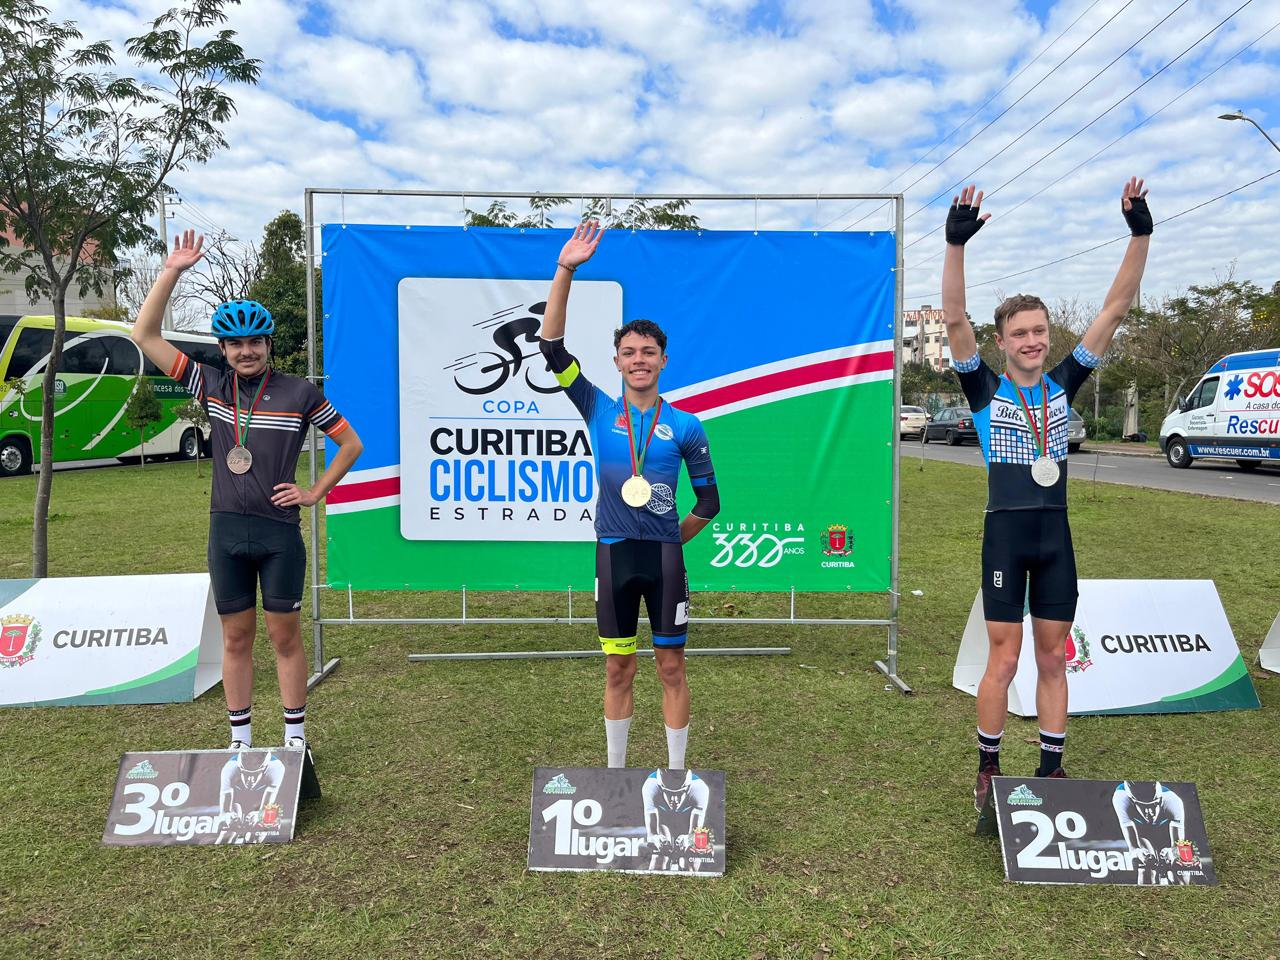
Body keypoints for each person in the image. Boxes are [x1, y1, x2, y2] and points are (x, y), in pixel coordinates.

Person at [942, 180, 1152, 811]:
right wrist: (955, 245)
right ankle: (988, 766)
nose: (1032, 341)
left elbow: (1114, 309)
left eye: (1039, 331)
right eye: (1020, 334)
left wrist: (1140, 233)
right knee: (1003, 661)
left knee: (1055, 656)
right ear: (1002, 341)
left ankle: (1053, 770)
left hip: (1055, 536)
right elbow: (954, 317)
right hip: (1006, 534)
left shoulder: (1066, 381)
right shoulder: (982, 389)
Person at [131, 230, 363, 750]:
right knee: (236, 638)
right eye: (235, 344)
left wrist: (314, 491)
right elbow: (145, 335)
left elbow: (350, 445)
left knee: (284, 637)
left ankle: (295, 737)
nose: (246, 351)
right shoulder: (209, 383)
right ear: (223, 349)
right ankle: (239, 739)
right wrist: (173, 270)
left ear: (268, 344)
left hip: (280, 532)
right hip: (226, 531)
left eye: (255, 341)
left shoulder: (299, 391)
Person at [538, 220, 721, 771]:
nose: (638, 359)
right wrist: (565, 268)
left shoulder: (687, 426)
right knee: (618, 670)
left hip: (665, 561)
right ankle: (616, 777)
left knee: (672, 668)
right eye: (628, 351)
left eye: (648, 351)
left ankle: (675, 777)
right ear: (616, 361)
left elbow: (709, 503)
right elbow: (549, 346)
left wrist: (669, 536)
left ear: (664, 360)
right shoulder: (596, 407)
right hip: (613, 554)